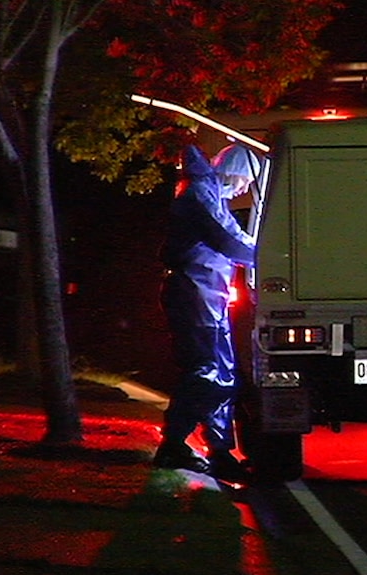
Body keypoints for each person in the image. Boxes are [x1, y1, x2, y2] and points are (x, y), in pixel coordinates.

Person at [153, 142, 260, 483]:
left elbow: (229, 233)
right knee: (207, 371)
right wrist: (268, 254)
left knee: (219, 372)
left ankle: (217, 449)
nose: (244, 189)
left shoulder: (207, 194)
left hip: (205, 295)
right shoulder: (202, 196)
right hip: (197, 295)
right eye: (246, 180)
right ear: (238, 171)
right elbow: (228, 239)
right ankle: (177, 444)